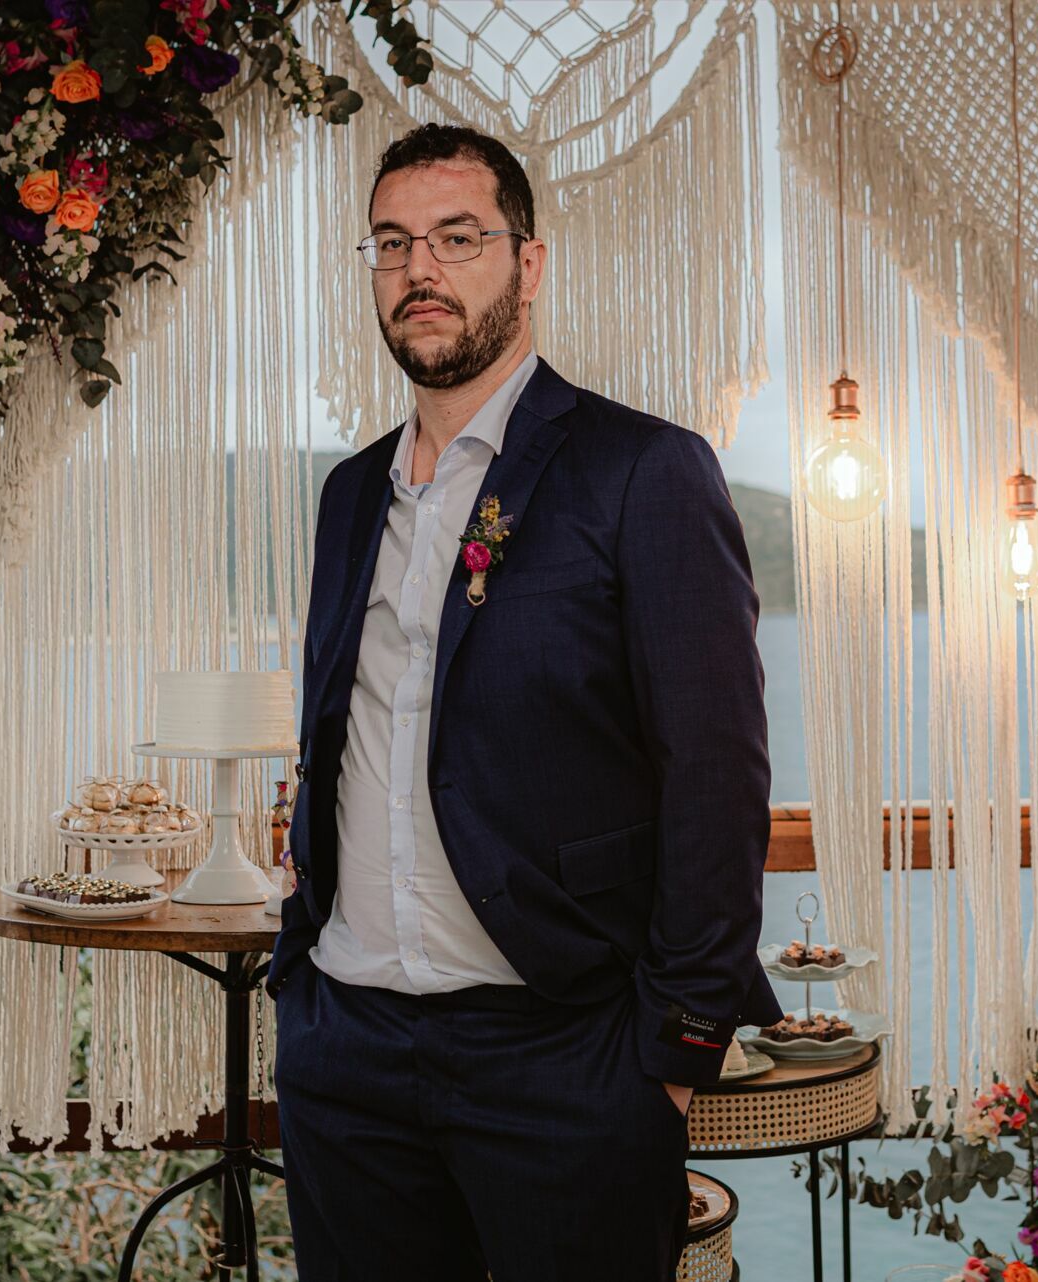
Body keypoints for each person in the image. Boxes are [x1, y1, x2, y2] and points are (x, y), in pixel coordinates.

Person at [262, 121, 782, 1281]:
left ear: (527, 263)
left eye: (457, 237)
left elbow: (716, 767)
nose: (420, 272)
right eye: (392, 245)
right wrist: (303, 995)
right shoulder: (349, 494)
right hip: (346, 1050)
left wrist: (675, 1050)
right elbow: (350, 728)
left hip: (563, 1055)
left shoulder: (643, 469)